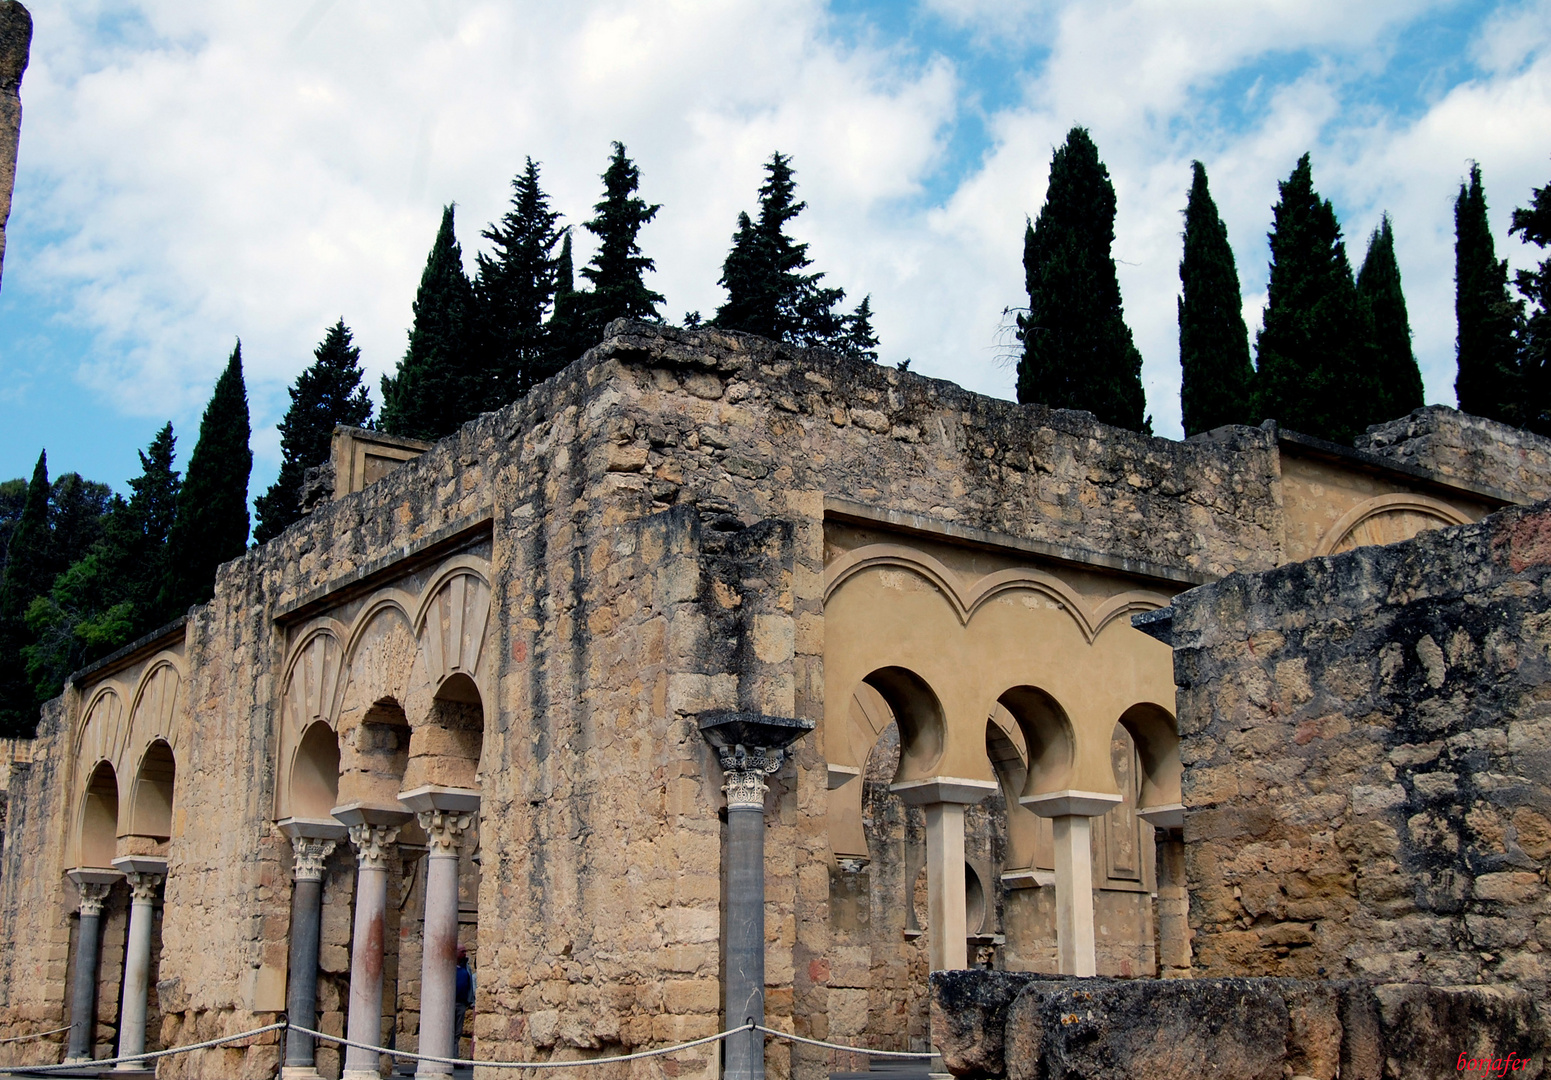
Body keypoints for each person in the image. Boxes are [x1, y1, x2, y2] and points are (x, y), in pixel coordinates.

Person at [454, 944, 474, 1054]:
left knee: (457, 1031)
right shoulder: (450, 966)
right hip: (451, 1003)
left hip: (461, 1003)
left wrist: (469, 999)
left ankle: (454, 1056)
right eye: (462, 951)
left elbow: (469, 983)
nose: (464, 954)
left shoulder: (466, 968)